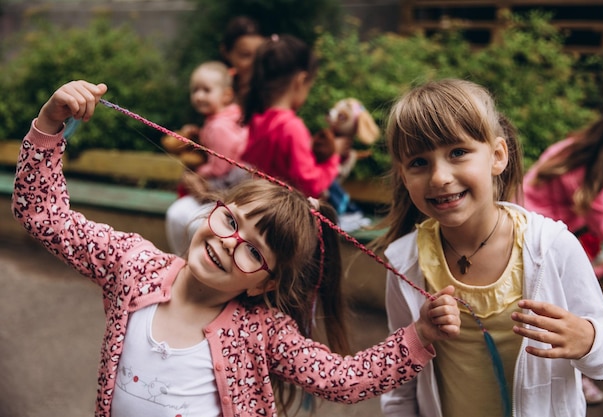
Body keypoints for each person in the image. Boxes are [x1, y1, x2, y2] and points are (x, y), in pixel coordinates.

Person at [12, 80, 462, 417]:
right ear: (215, 207)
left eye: (253, 251)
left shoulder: (260, 330)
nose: (228, 245)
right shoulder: (134, 266)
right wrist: (51, 125)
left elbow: (340, 379)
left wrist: (418, 337)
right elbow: (43, 214)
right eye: (230, 220)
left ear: (266, 282)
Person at [372, 78, 603, 417]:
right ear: (403, 176)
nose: (439, 177)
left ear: (497, 156)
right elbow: (402, 380)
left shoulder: (553, 247)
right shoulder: (405, 263)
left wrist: (588, 340)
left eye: (457, 152)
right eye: (419, 162)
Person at [523, 96, 603, 405]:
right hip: (539, 243)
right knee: (569, 309)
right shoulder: (586, 173)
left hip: (541, 232)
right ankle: (576, 376)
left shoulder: (572, 150)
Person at [240, 34, 346, 212]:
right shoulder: (291, 127)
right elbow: (310, 185)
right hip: (288, 216)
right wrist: (333, 158)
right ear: (301, 80)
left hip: (261, 209)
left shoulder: (257, 119)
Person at [164, 61, 250, 255]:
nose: (199, 96)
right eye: (195, 90)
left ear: (227, 95)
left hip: (231, 187)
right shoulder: (225, 118)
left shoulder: (219, 126)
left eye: (206, 90)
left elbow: (221, 167)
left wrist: (199, 171)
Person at [219, 16, 266, 106]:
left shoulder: (273, 93)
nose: (254, 62)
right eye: (245, 55)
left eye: (259, 55)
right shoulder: (215, 92)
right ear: (225, 53)